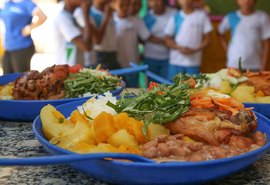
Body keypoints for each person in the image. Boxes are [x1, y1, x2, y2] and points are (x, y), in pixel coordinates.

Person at [165, 0, 212, 80]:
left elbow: (208, 39)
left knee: (193, 89)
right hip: (175, 62)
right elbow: (167, 39)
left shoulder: (202, 16)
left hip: (193, 63)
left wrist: (195, 49)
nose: (185, 1)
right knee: (171, 87)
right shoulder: (175, 17)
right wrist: (178, 47)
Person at [218, 0, 270, 71]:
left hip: (255, 64)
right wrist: (227, 49)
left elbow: (267, 44)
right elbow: (220, 32)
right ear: (237, 1)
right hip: (234, 64)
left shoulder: (262, 17)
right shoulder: (230, 17)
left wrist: (263, 67)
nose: (246, 1)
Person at [0, 0, 47, 74]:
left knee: (21, 78)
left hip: (22, 47)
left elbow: (43, 17)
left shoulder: (27, 4)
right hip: (8, 47)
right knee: (6, 78)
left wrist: (28, 28)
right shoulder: (6, 4)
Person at [113, 0, 151, 87]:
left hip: (132, 65)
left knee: (133, 90)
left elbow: (146, 38)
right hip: (115, 65)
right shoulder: (110, 20)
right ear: (114, 4)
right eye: (122, 5)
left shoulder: (136, 20)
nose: (125, 8)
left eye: (127, 5)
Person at [52, 0, 93, 66]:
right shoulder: (62, 18)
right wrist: (85, 14)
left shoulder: (72, 17)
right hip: (66, 71)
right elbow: (86, 46)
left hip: (74, 70)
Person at [143, 0, 176, 80]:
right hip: (150, 58)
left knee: (167, 85)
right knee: (151, 86)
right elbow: (147, 37)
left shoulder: (174, 14)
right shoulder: (147, 17)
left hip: (168, 59)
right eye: (151, 1)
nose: (154, 3)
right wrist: (167, 40)